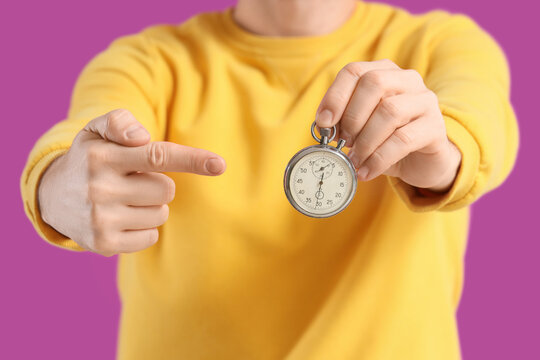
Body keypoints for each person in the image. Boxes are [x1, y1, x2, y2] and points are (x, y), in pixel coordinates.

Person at [20, 0, 518, 358]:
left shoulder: (439, 44)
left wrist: (440, 151)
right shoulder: (147, 62)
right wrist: (54, 188)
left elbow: (479, 119)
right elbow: (83, 135)